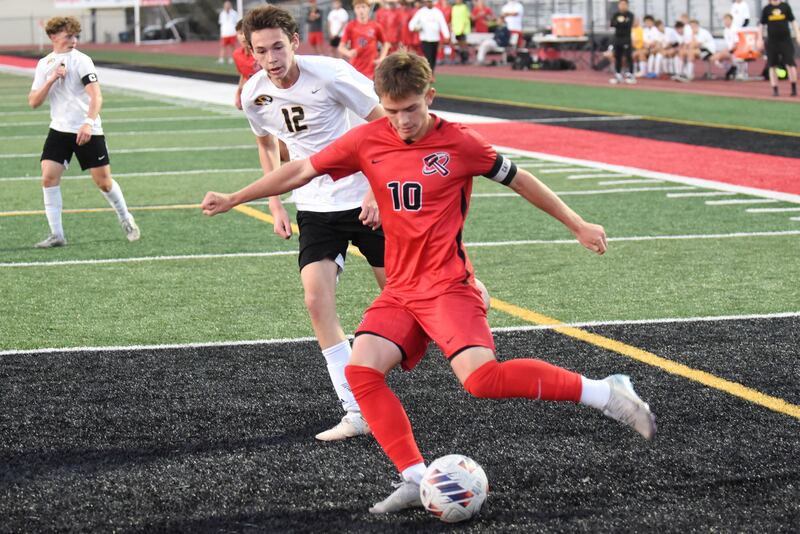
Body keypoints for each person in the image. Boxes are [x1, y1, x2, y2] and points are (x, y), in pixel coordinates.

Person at [201, 51, 657, 513]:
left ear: (430, 96)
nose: (400, 120)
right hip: (401, 290)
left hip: (447, 286)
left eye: (411, 109)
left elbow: (521, 180)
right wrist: (237, 197)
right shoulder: (367, 139)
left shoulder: (461, 143)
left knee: (482, 381)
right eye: (392, 110)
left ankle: (605, 391)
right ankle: (415, 477)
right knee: (362, 373)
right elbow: (300, 169)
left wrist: (578, 224)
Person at [236, 5, 386, 441]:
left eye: (278, 47)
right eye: (261, 50)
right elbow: (268, 148)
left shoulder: (332, 73)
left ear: (295, 42)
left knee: (405, 299)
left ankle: (462, 291)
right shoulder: (253, 94)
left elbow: (385, 128)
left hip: (364, 199)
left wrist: (375, 190)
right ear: (251, 52)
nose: (271, 58)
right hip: (315, 207)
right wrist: (276, 205)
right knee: (316, 301)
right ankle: (356, 409)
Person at [28, 16, 140, 249]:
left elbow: (96, 96)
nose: (74, 40)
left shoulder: (82, 61)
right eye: (69, 36)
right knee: (48, 177)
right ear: (53, 37)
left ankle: (125, 217)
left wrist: (88, 123)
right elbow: (33, 102)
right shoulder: (44, 64)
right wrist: (51, 79)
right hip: (59, 129)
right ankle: (57, 234)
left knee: (104, 182)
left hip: (87, 129)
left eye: (76, 35)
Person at [339, 0, 390, 79]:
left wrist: (382, 58)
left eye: (363, 7)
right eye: (358, 7)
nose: (361, 10)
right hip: (355, 69)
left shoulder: (376, 26)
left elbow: (386, 44)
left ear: (368, 8)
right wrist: (348, 53)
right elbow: (341, 47)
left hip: (372, 69)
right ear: (354, 10)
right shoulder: (350, 26)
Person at [759, 0, 800, 96]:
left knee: (790, 64)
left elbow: (793, 21)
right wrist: (759, 39)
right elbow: (761, 25)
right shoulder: (767, 9)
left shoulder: (785, 6)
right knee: (772, 65)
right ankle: (775, 89)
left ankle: (793, 88)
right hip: (772, 42)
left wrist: (798, 34)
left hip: (786, 41)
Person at [408, 0, 450, 72]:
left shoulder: (437, 12)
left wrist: (447, 35)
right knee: (428, 56)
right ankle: (429, 73)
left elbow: (443, 24)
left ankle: (431, 72)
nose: (428, 3)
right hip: (425, 38)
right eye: (427, 2)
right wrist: (414, 28)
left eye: (430, 1)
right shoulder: (421, 12)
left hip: (435, 38)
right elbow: (412, 23)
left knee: (433, 57)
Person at [232, 20, 261, 110]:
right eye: (240, 33)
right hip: (252, 93)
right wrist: (239, 93)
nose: (243, 37)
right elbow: (244, 75)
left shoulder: (261, 53)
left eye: (246, 33)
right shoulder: (237, 54)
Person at [609, 0, 635, 84]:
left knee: (628, 57)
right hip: (617, 39)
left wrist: (620, 22)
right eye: (621, 4)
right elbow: (612, 24)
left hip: (626, 39)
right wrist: (621, 22)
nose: (622, 6)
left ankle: (630, 75)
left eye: (624, 4)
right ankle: (618, 75)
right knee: (617, 57)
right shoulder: (615, 14)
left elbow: (628, 25)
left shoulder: (630, 15)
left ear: (627, 5)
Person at [711, 14, 740, 80]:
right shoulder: (725, 30)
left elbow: (736, 44)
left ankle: (734, 68)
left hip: (736, 50)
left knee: (718, 56)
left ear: (731, 20)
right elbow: (728, 44)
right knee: (715, 59)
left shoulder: (735, 29)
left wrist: (728, 51)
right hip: (729, 50)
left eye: (727, 20)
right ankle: (732, 68)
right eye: (725, 20)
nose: (726, 22)